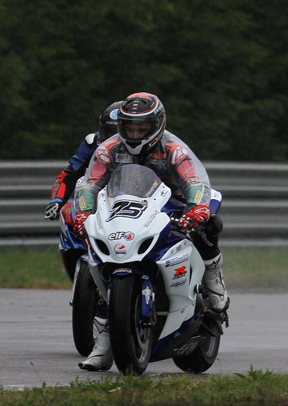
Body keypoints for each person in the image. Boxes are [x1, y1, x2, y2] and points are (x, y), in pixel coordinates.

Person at [72, 92, 229, 371]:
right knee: (93, 245)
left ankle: (213, 276)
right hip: (126, 206)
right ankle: (107, 335)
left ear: (157, 125)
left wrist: (197, 209)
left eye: (141, 128)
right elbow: (89, 183)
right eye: (128, 127)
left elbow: (194, 182)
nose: (134, 133)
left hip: (175, 202)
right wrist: (83, 212)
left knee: (207, 222)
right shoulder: (108, 149)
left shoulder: (174, 150)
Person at [45, 101, 124, 282]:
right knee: (68, 213)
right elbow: (69, 175)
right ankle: (78, 267)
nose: (114, 138)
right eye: (110, 132)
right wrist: (56, 200)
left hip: (132, 202)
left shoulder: (146, 147)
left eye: (119, 132)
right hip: (95, 201)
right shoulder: (92, 143)